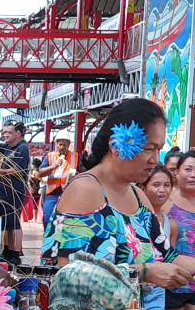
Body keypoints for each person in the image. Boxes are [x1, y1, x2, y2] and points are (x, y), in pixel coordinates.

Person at [41, 98, 195, 296]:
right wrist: (144, 272)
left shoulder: (139, 196)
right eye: (149, 149)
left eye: (158, 149)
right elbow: (70, 273)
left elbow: (167, 256)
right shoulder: (85, 189)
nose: (155, 159)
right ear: (116, 145)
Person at [141, 163, 178, 310]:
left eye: (167, 185)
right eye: (156, 185)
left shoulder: (171, 224)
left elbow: (171, 258)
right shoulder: (136, 219)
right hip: (135, 286)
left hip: (157, 290)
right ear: (142, 188)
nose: (162, 190)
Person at [164, 150, 195, 310]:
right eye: (188, 169)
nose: (193, 175)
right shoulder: (165, 200)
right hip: (170, 281)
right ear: (177, 172)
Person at [0, 121, 30, 264]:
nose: (5, 135)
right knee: (7, 221)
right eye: (4, 132)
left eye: (9, 132)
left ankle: (15, 253)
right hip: (3, 189)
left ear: (18, 134)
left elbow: (19, 170)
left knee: (13, 220)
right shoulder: (9, 146)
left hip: (14, 189)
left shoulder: (22, 148)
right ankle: (7, 250)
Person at [37, 135, 80, 230]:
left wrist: (77, 175)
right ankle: (48, 239)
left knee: (68, 221)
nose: (62, 147)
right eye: (60, 144)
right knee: (48, 219)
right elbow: (40, 173)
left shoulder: (75, 156)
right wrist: (53, 166)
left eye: (64, 145)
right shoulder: (50, 156)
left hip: (70, 194)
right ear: (56, 145)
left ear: (69, 145)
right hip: (52, 193)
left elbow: (84, 172)